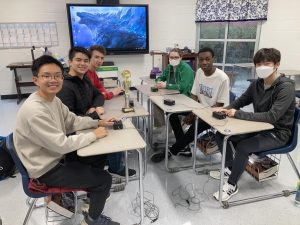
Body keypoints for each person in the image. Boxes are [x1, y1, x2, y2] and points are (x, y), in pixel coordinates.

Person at [13, 55, 119, 225]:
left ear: (62, 78)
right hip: (46, 169)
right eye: (46, 76)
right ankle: (93, 219)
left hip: (53, 156)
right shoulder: (35, 110)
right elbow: (62, 145)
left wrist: (98, 122)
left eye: (57, 75)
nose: (53, 80)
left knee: (99, 156)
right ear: (35, 80)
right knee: (104, 179)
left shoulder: (53, 100)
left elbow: (72, 121)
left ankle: (91, 197)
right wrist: (93, 135)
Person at [211, 48, 295, 201]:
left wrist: (237, 113)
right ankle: (231, 168)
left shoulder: (286, 88)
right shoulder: (256, 84)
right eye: (258, 64)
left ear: (277, 65)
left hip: (278, 133)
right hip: (258, 127)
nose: (262, 67)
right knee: (221, 135)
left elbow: (272, 117)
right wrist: (225, 109)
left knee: (244, 146)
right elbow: (241, 100)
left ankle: (231, 185)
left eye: (267, 63)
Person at [57, 46, 136, 178]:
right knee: (114, 134)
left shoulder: (85, 79)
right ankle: (112, 167)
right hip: (77, 136)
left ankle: (113, 165)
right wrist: (94, 115)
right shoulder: (65, 87)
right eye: (78, 60)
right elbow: (69, 122)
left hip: (88, 122)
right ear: (70, 62)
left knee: (116, 125)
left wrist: (94, 107)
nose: (82, 64)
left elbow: (98, 95)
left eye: (85, 60)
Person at [151, 47, 230, 163]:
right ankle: (184, 148)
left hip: (213, 114)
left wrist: (194, 115)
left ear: (213, 59)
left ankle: (172, 151)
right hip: (198, 109)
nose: (204, 62)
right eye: (201, 59)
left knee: (194, 128)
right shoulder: (199, 72)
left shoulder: (222, 78)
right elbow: (194, 95)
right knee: (172, 113)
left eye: (207, 59)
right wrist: (193, 111)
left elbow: (219, 105)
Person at [150, 48, 194, 161]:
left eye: (176, 57)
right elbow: (161, 77)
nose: (173, 59)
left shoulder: (186, 69)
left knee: (172, 114)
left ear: (181, 58)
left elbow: (182, 87)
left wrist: (166, 85)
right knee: (155, 101)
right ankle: (170, 133)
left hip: (185, 99)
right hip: (173, 96)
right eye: (171, 57)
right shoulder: (169, 67)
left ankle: (172, 135)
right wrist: (159, 81)